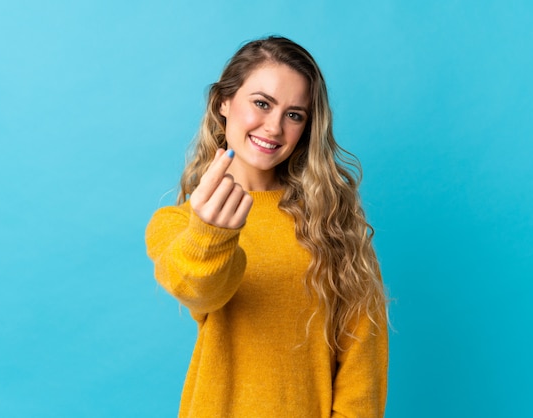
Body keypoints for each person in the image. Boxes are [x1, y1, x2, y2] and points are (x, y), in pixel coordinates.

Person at [145, 35, 388, 417]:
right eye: (262, 103)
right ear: (223, 102)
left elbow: (363, 355)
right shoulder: (176, 223)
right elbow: (200, 292)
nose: (274, 127)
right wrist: (211, 234)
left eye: (294, 115)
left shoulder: (332, 223)